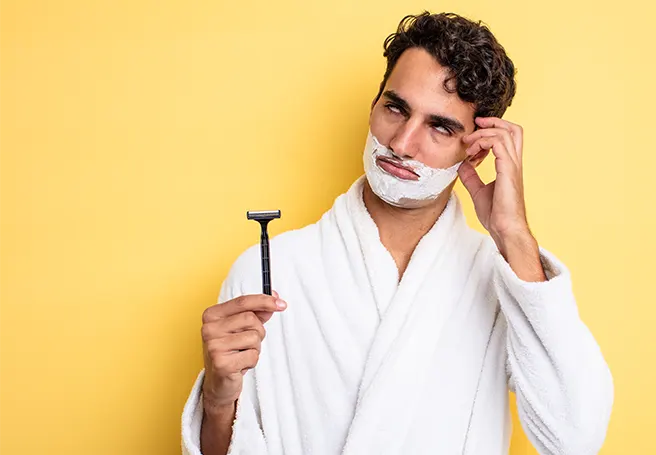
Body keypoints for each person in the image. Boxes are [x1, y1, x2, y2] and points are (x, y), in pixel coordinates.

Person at [181, 11, 613, 455]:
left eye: (440, 127)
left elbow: (573, 437)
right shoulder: (269, 273)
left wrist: (515, 236)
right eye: (395, 108)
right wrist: (217, 400)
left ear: (478, 152)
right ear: (374, 104)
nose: (402, 144)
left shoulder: (505, 280)